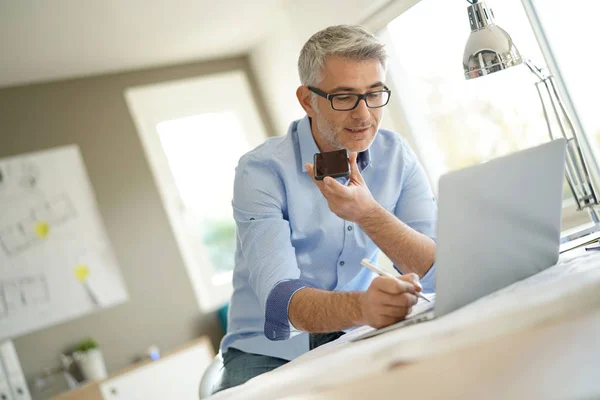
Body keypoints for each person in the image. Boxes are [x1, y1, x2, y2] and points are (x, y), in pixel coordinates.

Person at [212, 24, 437, 394]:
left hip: (357, 332)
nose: (364, 115)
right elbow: (283, 301)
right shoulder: (261, 171)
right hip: (269, 351)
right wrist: (364, 306)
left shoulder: (397, 156)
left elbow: (434, 269)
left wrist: (369, 214)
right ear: (307, 99)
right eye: (345, 97)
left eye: (374, 93)